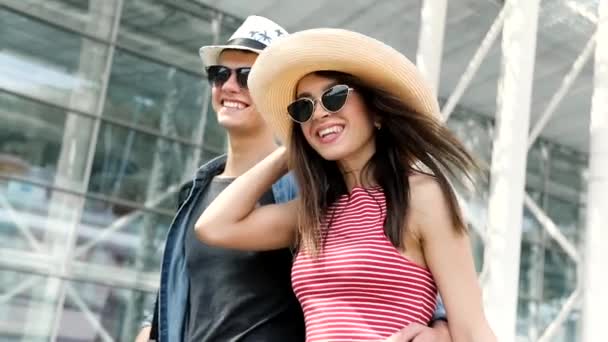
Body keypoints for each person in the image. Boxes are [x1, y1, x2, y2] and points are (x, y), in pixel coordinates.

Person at [137, 16, 451, 341]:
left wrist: (440, 327)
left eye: (247, 76)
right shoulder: (196, 191)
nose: (229, 85)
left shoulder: (311, 189)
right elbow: (172, 290)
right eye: (219, 74)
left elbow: (395, 266)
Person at [195, 28, 497, 341]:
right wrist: (293, 144)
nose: (320, 113)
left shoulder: (421, 197)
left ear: (376, 111)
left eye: (334, 97)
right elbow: (214, 227)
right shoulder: (314, 210)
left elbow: (472, 329)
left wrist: (440, 334)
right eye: (304, 108)